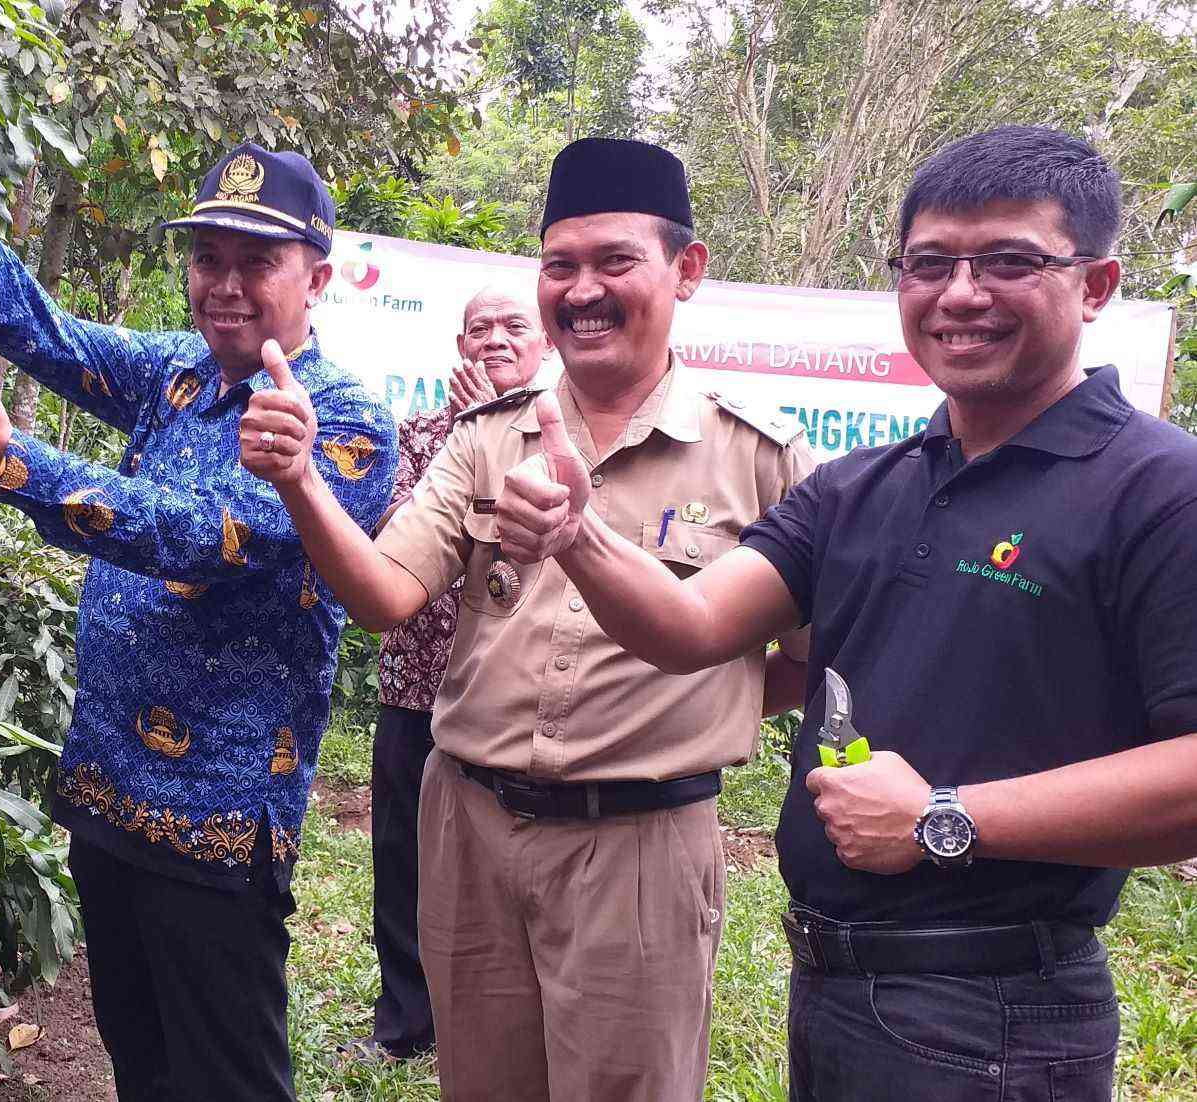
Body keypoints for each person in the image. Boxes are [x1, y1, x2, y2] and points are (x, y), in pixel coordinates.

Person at [493, 125, 1197, 1101]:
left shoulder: (1159, 489)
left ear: (1095, 285)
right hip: (831, 985)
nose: (959, 294)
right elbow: (690, 630)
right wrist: (576, 534)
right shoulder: (858, 488)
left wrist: (946, 818)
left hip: (999, 1012)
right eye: (929, 264)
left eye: (1007, 262)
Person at [239, 137, 816, 1100]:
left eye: (614, 261)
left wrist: (688, 704)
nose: (581, 290)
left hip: (639, 846)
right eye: (559, 265)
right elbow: (383, 596)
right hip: (470, 828)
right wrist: (299, 481)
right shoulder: (486, 436)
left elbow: (807, 655)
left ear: (685, 270)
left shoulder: (755, 455)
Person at [0, 97, 396, 1101]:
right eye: (207, 258)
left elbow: (205, 535)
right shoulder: (176, 374)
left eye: (257, 262)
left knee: (227, 1081)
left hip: (217, 823)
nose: (225, 285)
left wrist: (11, 457)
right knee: (140, 1061)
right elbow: (48, 337)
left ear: (317, 279)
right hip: (108, 791)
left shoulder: (342, 421)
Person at [351, 289, 555, 1063]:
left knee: (510, 865)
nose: (495, 338)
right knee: (401, 857)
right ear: (459, 344)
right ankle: (406, 1024)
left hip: (513, 698)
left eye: (513, 327)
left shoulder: (563, 434)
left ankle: (501, 1020)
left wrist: (500, 422)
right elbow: (390, 535)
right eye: (479, 328)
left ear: (544, 344)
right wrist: (465, 431)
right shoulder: (416, 435)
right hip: (415, 689)